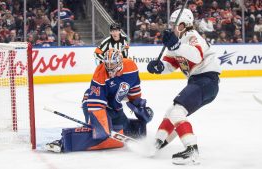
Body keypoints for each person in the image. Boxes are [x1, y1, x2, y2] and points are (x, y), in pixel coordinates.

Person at [147, 8, 221, 165]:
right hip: (199, 82)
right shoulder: (177, 42)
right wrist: (159, 67)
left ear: (183, 24)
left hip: (207, 80)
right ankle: (159, 141)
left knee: (177, 111)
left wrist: (176, 46)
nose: (173, 27)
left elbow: (196, 55)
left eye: (175, 24)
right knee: (172, 111)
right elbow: (170, 65)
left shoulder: (192, 36)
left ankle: (192, 149)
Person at [46, 48, 153, 153]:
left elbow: (134, 91)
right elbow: (95, 104)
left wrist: (140, 108)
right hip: (93, 104)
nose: (109, 67)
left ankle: (109, 130)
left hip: (114, 106)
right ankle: (64, 142)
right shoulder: (100, 73)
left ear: (120, 62)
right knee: (99, 134)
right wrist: (101, 125)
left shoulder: (131, 67)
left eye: (112, 64)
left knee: (125, 129)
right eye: (107, 63)